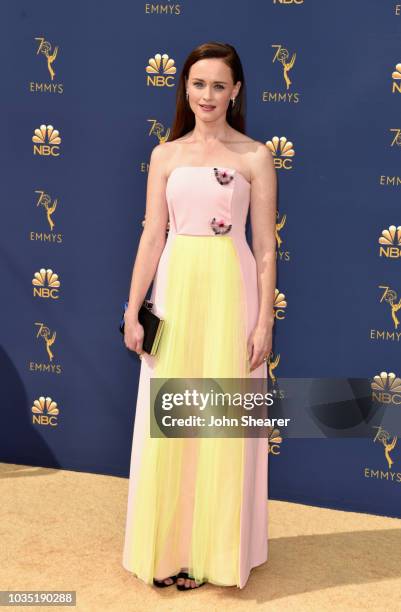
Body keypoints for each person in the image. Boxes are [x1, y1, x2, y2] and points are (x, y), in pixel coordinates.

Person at [122, 41, 277, 591]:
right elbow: (151, 235)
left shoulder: (255, 156)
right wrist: (133, 308)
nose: (206, 95)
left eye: (218, 85)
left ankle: (213, 552)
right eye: (197, 84)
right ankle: (171, 550)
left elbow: (264, 247)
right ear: (184, 88)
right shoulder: (166, 155)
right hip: (176, 292)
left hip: (231, 294)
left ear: (235, 91)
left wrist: (264, 323)